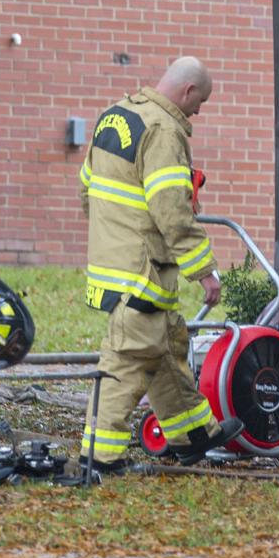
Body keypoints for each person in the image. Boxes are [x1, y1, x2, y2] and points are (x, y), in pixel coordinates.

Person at [77, 56, 242, 474]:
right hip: (141, 270)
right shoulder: (164, 131)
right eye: (199, 102)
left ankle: (192, 434)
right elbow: (172, 210)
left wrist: (112, 234)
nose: (198, 112)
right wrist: (204, 270)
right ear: (187, 92)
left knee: (166, 345)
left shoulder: (114, 116)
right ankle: (98, 455)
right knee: (128, 358)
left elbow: (86, 187)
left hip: (115, 261)